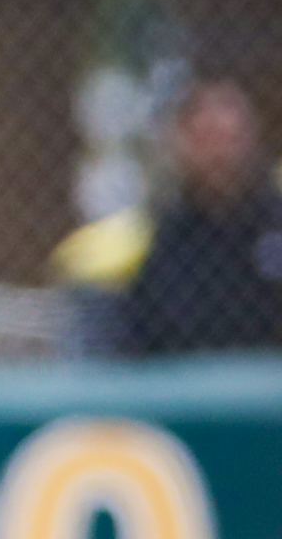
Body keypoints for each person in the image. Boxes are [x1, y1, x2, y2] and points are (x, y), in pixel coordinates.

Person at [54, 79, 282, 355]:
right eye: (204, 139)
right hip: (172, 389)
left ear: (251, 139)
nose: (218, 154)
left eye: (229, 138)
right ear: (180, 145)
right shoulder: (150, 237)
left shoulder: (273, 223)